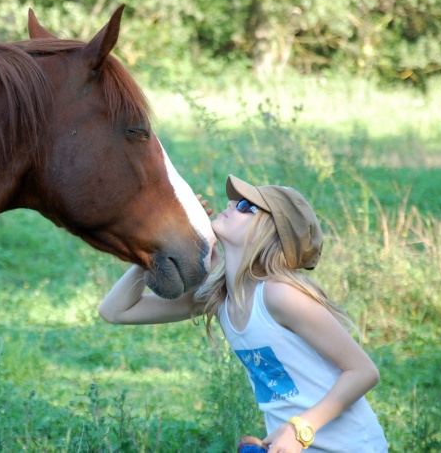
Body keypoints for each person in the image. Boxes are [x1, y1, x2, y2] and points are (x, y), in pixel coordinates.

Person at [98, 174, 387, 452]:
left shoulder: (280, 296)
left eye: (246, 206)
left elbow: (363, 371)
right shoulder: (219, 297)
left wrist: (300, 429)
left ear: (269, 233)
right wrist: (163, 243)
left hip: (350, 445)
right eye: (234, 201)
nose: (230, 205)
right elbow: (116, 310)